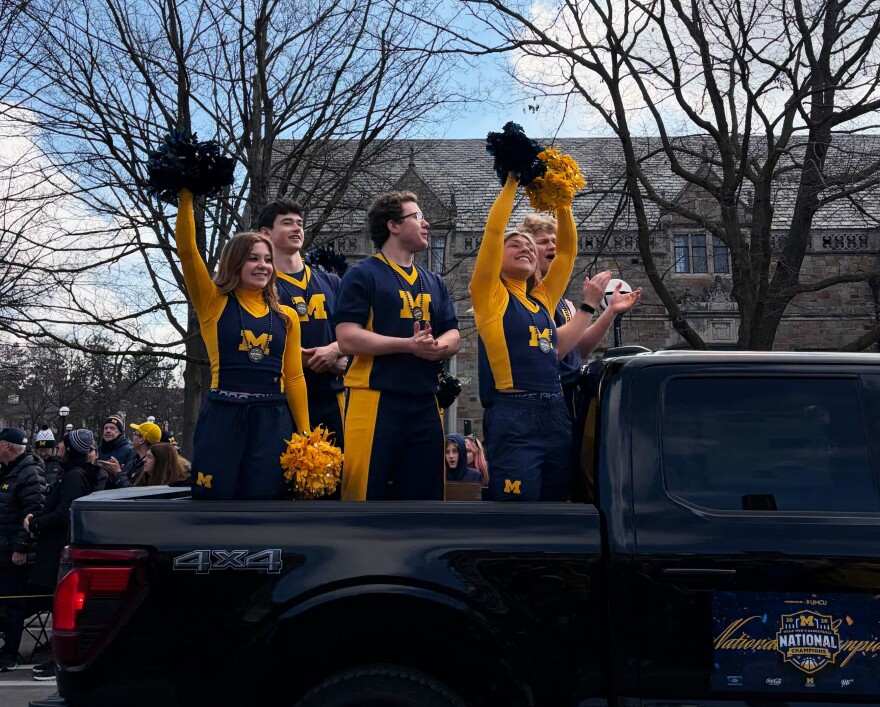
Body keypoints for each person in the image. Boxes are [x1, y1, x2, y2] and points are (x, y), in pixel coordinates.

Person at [471, 175, 601, 501]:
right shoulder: (490, 296)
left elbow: (568, 252)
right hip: (513, 414)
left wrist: (564, 201)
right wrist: (513, 180)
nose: (526, 248)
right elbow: (493, 233)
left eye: (530, 246)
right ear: (495, 259)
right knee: (518, 508)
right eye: (515, 245)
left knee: (557, 503)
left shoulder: (543, 299)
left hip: (555, 412)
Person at [174, 188, 310, 499]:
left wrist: (305, 435)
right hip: (223, 413)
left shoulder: (287, 316)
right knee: (213, 499)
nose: (263, 266)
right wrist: (186, 193)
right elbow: (187, 251)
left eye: (267, 260)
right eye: (253, 259)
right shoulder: (213, 302)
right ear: (234, 263)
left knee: (266, 501)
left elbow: (294, 377)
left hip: (272, 418)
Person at [335, 191, 460, 501]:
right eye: (417, 216)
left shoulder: (435, 282)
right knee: (362, 497)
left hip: (426, 403)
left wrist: (437, 348)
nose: (426, 223)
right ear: (393, 225)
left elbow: (453, 335)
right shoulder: (362, 274)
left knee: (427, 501)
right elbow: (347, 337)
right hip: (373, 399)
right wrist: (408, 345)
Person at [522, 214, 641, 412]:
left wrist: (610, 310)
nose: (552, 246)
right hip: (541, 399)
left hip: (570, 396)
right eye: (543, 242)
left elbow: (578, 350)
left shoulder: (561, 301)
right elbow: (556, 348)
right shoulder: (524, 297)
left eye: (555, 241)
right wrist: (589, 304)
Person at [257, 199, 347, 451]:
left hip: (331, 396)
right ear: (266, 233)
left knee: (336, 481)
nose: (297, 228)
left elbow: (354, 332)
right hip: (280, 399)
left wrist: (337, 351)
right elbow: (255, 339)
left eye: (300, 223)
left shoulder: (332, 282)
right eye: (287, 223)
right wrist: (304, 359)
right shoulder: (260, 285)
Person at [0, 428, 45, 672]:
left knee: (12, 603)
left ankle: (10, 654)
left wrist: (21, 548)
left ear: (6, 446)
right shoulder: (8, 470)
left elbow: (33, 512)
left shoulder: (29, 472)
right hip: (3, 547)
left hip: (13, 553)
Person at [98, 420, 165, 488]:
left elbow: (133, 493)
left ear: (142, 440)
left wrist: (118, 473)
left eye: (135, 433)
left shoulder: (149, 465)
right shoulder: (135, 458)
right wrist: (114, 474)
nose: (132, 436)